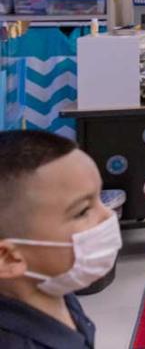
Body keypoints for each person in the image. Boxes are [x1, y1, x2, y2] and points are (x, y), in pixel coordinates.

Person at [0, 131, 121, 348]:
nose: (108, 215)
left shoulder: (55, 289)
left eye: (99, 198)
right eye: (83, 211)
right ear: (8, 257)